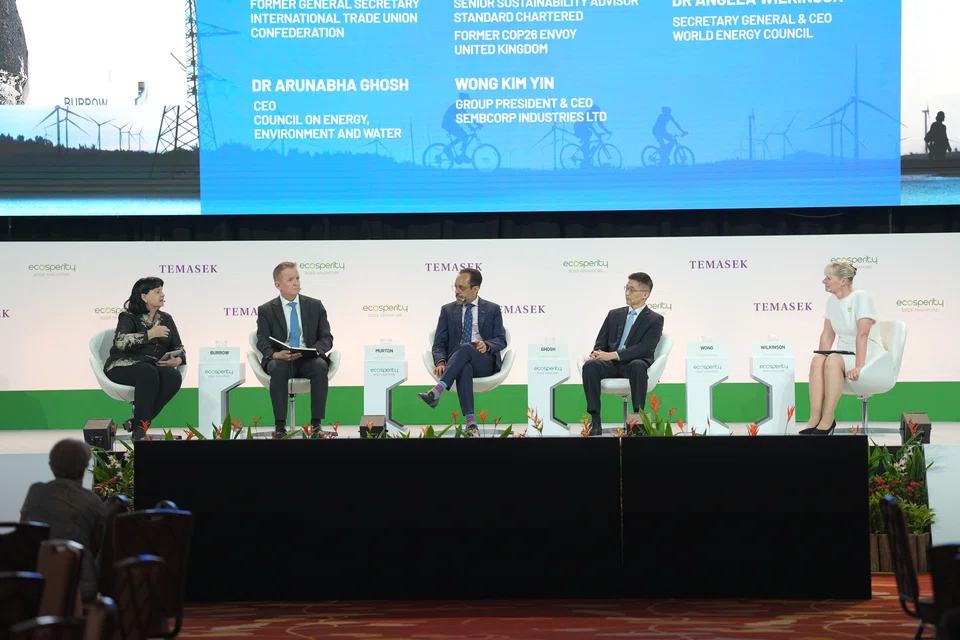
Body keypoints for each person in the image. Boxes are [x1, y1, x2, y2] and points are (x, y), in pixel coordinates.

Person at [418, 268, 506, 437]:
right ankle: (471, 424)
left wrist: (487, 345)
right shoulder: (447, 310)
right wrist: (441, 361)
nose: (457, 291)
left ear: (475, 289)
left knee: (466, 347)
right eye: (455, 287)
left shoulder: (492, 309)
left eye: (462, 288)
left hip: (484, 361)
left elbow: (501, 340)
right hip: (457, 362)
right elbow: (439, 343)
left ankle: (437, 391)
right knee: (464, 367)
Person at [801, 260, 887, 435]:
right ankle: (814, 418)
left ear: (844, 281)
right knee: (818, 359)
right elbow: (828, 334)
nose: (824, 281)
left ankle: (828, 418)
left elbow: (863, 334)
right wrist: (822, 356)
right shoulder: (832, 301)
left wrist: (859, 366)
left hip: (868, 353)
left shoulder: (861, 297)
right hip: (844, 353)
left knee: (833, 360)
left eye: (828, 278)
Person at [20, 439, 108, 602]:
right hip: (79, 583)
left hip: (35, 580)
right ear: (84, 468)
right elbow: (95, 547)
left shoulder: (35, 492)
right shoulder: (93, 502)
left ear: (51, 466)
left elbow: (23, 530)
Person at [256, 262, 333, 438]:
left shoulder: (315, 305)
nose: (296, 283)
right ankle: (280, 426)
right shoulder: (266, 310)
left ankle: (316, 424)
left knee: (320, 366)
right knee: (278, 368)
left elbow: (327, 338)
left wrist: (315, 351)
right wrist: (275, 354)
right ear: (278, 285)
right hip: (281, 358)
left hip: (309, 358)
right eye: (290, 280)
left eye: (297, 278)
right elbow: (262, 340)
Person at [582, 273, 665, 436]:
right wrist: (597, 353)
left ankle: (638, 423)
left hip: (634, 363)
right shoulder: (614, 314)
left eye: (632, 290)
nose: (627, 293)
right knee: (590, 366)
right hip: (611, 365)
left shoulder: (655, 319)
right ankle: (595, 420)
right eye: (626, 288)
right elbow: (601, 341)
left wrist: (613, 355)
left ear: (645, 294)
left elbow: (645, 348)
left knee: (638, 366)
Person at [104, 277, 185, 440]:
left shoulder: (166, 319)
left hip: (151, 366)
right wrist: (150, 334)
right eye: (157, 291)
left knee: (173, 376)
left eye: (162, 291)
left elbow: (179, 347)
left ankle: (137, 424)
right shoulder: (128, 316)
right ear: (143, 296)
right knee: (147, 372)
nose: (162, 295)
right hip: (122, 365)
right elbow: (120, 342)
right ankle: (140, 433)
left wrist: (178, 360)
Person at [442, 92, 471, 163]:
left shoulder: (459, 105)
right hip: (449, 124)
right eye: (467, 101)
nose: (468, 103)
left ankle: (448, 149)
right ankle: (463, 154)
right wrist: (476, 124)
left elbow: (465, 117)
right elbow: (465, 117)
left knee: (462, 136)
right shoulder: (458, 105)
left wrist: (470, 126)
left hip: (450, 124)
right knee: (465, 136)